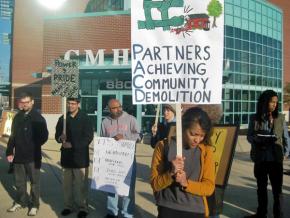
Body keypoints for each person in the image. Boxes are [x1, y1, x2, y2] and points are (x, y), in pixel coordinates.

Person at [151, 107, 215, 218]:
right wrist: (170, 173)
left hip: (195, 209)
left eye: (202, 135)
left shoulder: (206, 151)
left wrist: (186, 183)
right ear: (183, 127)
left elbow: (209, 187)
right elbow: (155, 184)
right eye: (193, 134)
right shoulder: (163, 146)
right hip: (168, 207)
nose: (197, 139)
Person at [245, 90, 290, 218]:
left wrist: (286, 153)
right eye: (272, 102)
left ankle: (278, 214)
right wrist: (256, 139)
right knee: (261, 188)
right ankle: (261, 213)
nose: (275, 105)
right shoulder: (254, 117)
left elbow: (286, 137)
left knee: (277, 191)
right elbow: (249, 136)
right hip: (260, 158)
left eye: (276, 102)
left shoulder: (280, 117)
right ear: (264, 102)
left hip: (276, 159)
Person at [6, 92, 48, 216]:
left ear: (32, 102)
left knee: (34, 183)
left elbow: (44, 136)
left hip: (33, 156)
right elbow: (12, 136)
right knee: (19, 182)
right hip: (18, 156)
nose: (24, 104)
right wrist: (9, 151)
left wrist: (33, 145)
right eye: (22, 102)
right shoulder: (17, 117)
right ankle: (20, 201)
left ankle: (34, 205)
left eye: (27, 102)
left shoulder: (38, 118)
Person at [100, 99, 140, 218]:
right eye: (114, 108)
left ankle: (128, 213)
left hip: (128, 160)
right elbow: (103, 139)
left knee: (128, 188)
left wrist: (125, 137)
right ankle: (112, 211)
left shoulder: (131, 119)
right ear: (109, 109)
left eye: (119, 106)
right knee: (111, 186)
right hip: (112, 160)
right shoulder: (105, 122)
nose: (118, 109)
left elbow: (139, 136)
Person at [55, 97, 94, 218]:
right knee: (67, 185)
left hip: (80, 158)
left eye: (73, 103)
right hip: (66, 157)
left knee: (80, 185)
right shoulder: (63, 118)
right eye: (69, 103)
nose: (70, 106)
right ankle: (68, 206)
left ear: (78, 104)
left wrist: (72, 144)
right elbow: (57, 134)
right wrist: (60, 138)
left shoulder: (85, 118)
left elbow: (88, 137)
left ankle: (83, 207)